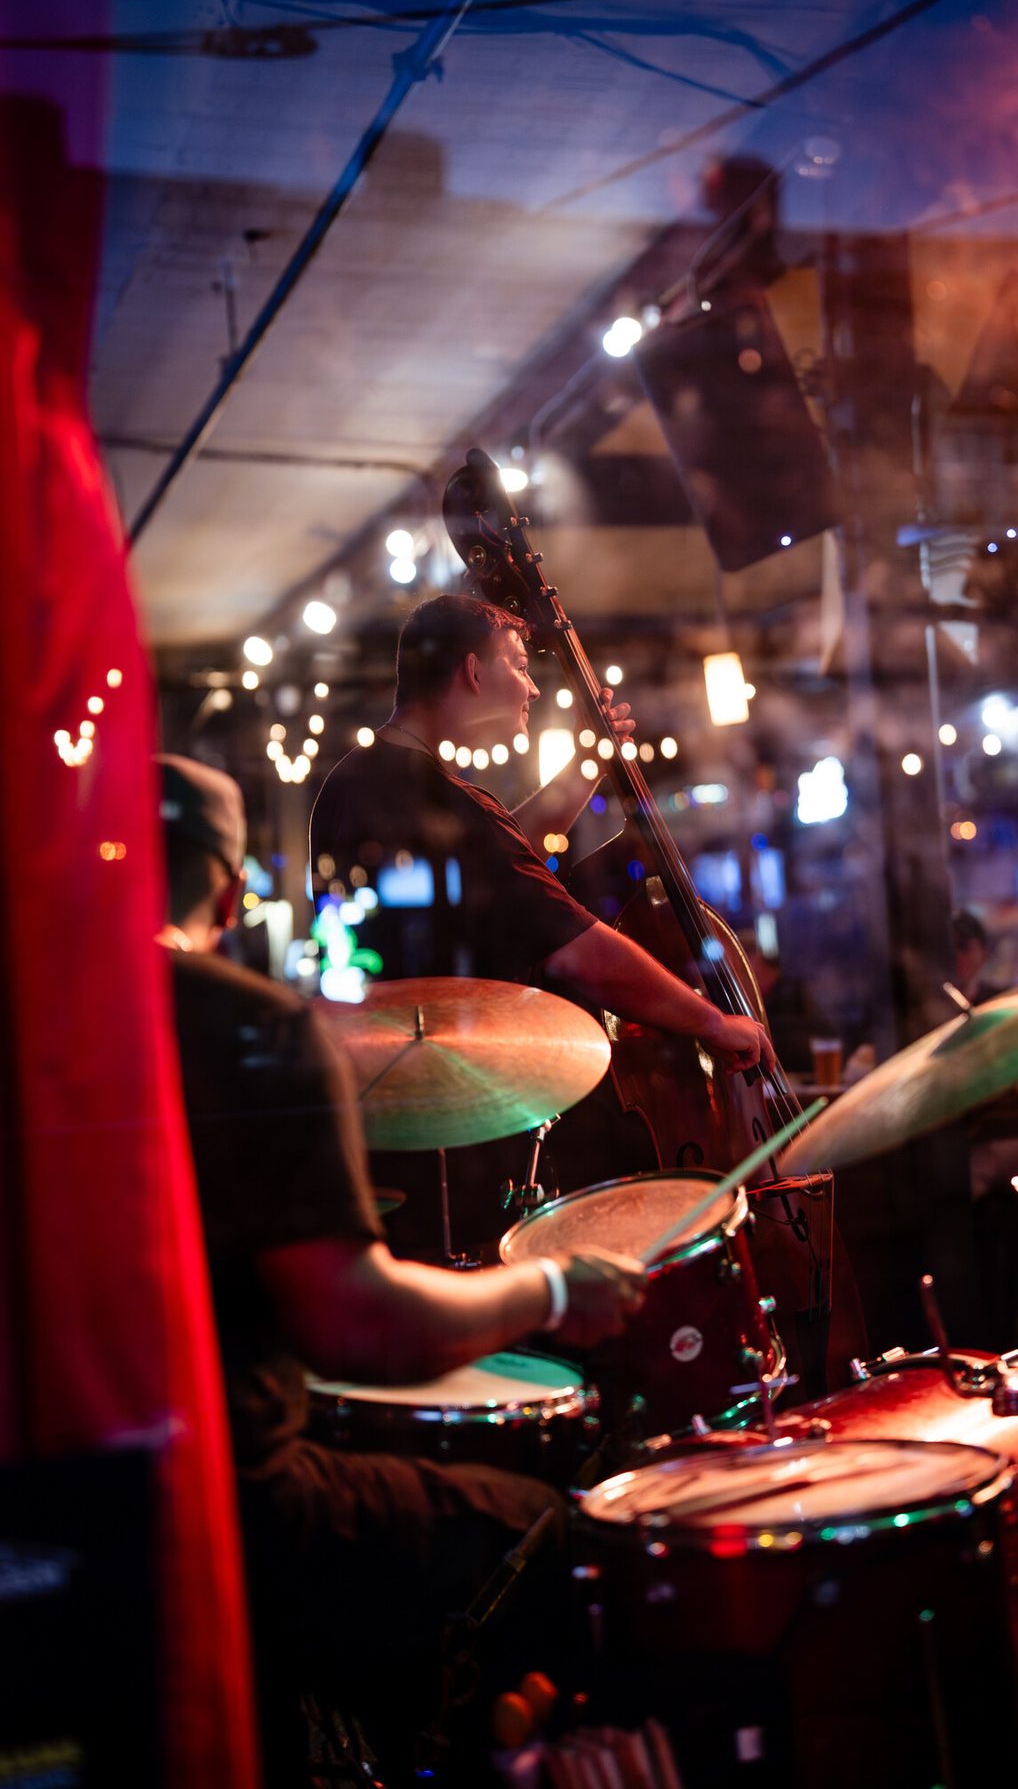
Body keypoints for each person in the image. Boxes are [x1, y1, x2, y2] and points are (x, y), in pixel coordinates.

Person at [155, 753, 647, 1773]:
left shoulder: (38, 1018)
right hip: (217, 1506)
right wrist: (552, 1286)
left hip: (54, 1491)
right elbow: (357, 1325)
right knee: (545, 1540)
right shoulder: (243, 1027)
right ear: (231, 887)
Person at [309, 594, 775, 1078]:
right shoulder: (438, 798)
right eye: (520, 666)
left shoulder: (360, 778)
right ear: (474, 671)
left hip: (375, 1075)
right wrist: (712, 1021)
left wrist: (586, 766)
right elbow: (584, 954)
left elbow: (502, 856)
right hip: (445, 1087)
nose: (532, 689)